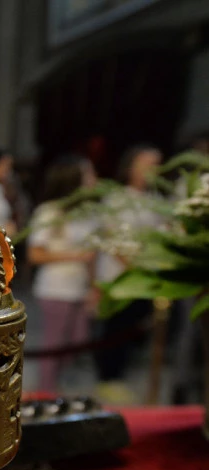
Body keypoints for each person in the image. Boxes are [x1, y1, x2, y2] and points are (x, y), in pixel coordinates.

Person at [94, 144, 163, 403]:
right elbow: (112, 237)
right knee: (115, 328)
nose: (152, 170)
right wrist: (134, 265)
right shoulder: (117, 198)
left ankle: (120, 376)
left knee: (134, 328)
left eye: (156, 165)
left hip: (145, 279)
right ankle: (108, 378)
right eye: (146, 164)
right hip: (119, 276)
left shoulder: (157, 200)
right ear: (131, 167)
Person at [27, 155, 98, 392]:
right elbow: (35, 254)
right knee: (54, 345)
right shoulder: (50, 212)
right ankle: (46, 392)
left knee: (78, 342)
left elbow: (92, 253)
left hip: (79, 286)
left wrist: (94, 287)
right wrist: (76, 256)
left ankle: (55, 387)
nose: (93, 179)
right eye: (88, 174)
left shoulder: (87, 212)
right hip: (56, 287)